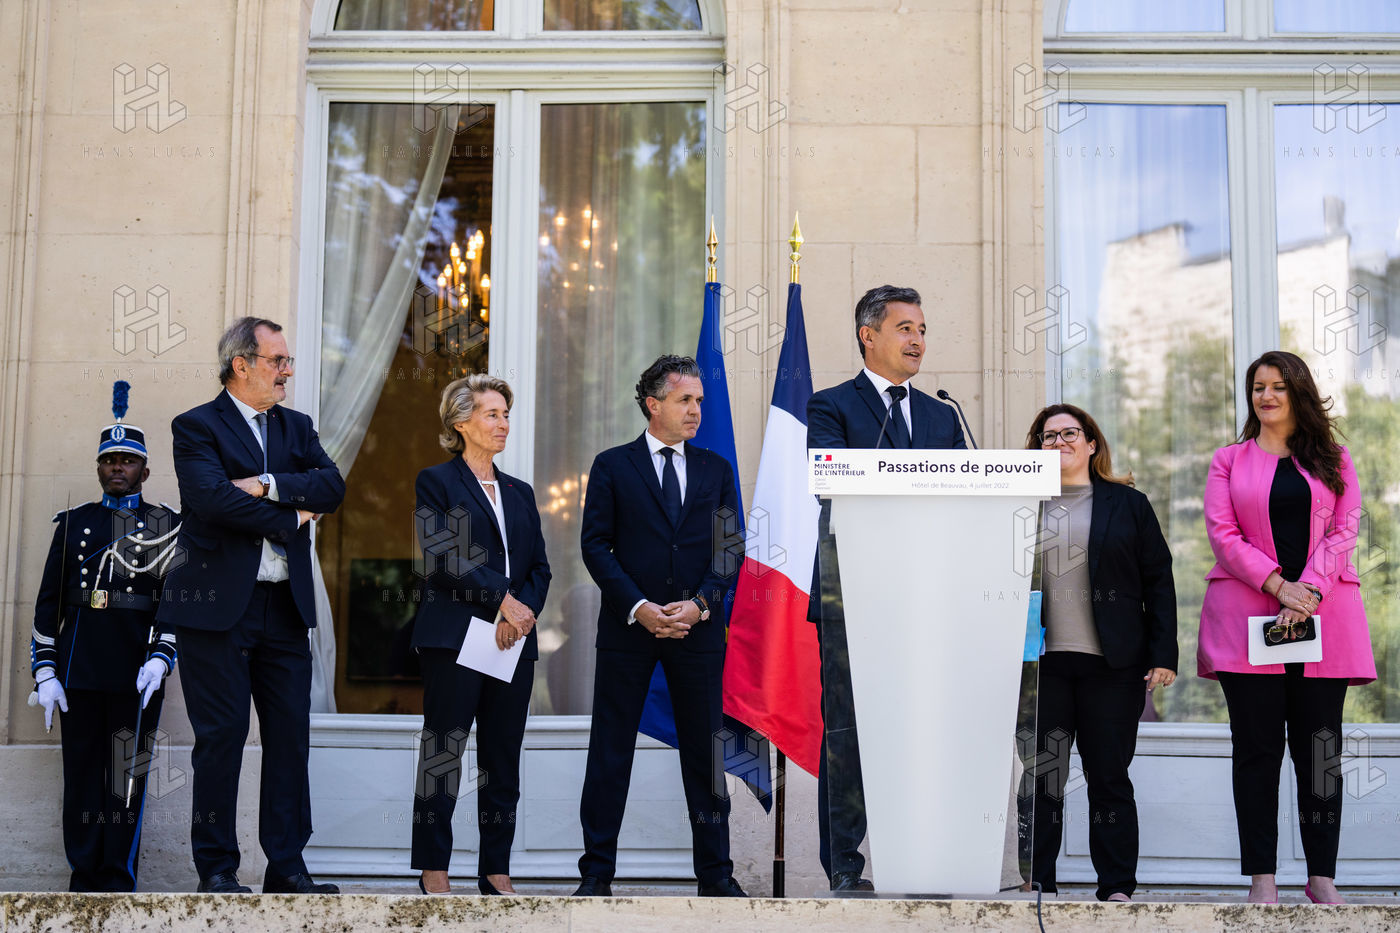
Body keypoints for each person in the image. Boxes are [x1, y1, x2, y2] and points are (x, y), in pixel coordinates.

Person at [157, 317, 345, 894]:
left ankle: (287, 868)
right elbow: (213, 503)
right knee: (222, 735)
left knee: (289, 737)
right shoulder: (196, 426)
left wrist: (265, 484)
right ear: (241, 365)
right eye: (277, 360)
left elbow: (333, 487)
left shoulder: (297, 426)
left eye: (287, 361)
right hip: (215, 609)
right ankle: (216, 868)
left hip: (285, 607)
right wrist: (294, 514)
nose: (287, 371)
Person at [1198, 350, 1376, 905]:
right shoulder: (1228, 460)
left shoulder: (1335, 459)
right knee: (1256, 751)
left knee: (1320, 752)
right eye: (1258, 387)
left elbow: (1346, 528)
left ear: (1298, 393)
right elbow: (1223, 534)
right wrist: (1279, 587)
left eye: (1277, 386)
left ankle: (1322, 876)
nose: (1266, 396)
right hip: (1247, 621)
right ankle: (1263, 879)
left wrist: (1309, 592)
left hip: (1324, 618)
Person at [805, 285, 965, 892]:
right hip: (850, 594)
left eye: (922, 329)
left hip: (927, 598)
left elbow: (962, 495)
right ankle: (846, 867)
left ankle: (920, 861)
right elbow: (831, 479)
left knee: (921, 732)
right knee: (848, 734)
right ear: (868, 335)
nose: (918, 339)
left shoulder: (942, 415)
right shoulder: (830, 406)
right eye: (905, 328)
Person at [574, 355, 747, 898]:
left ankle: (716, 876)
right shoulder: (612, 465)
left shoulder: (716, 468)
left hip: (697, 632)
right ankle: (596, 874)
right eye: (684, 400)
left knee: (705, 756)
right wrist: (639, 606)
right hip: (628, 631)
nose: (696, 410)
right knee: (610, 753)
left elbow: (730, 548)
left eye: (699, 401)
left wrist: (700, 605)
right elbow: (595, 545)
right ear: (653, 404)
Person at [1023, 404, 1177, 903]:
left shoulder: (1128, 504)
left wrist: (1163, 653)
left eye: (1070, 433)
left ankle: (1116, 886)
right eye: (1048, 436)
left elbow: (1159, 580)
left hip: (1112, 666)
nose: (1059, 442)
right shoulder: (1022, 503)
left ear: (1091, 444)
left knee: (1108, 776)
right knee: (1043, 776)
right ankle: (1038, 881)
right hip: (1043, 666)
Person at [30, 382, 180, 891]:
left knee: (125, 780)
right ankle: (83, 874)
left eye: (128, 461)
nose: (118, 468)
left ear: (145, 470)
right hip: (78, 668)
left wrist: (161, 657)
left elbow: (174, 604)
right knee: (81, 776)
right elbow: (48, 602)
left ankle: (116, 877)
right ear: (99, 468)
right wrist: (45, 670)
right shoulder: (73, 524)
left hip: (136, 672)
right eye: (110, 460)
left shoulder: (167, 527)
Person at [410, 375, 551, 896]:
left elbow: (539, 567)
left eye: (506, 414)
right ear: (460, 422)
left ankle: (496, 870)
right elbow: (442, 556)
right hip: (455, 636)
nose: (503, 424)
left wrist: (521, 612)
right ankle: (433, 869)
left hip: (514, 640)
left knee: (502, 759)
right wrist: (502, 601)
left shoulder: (520, 491)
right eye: (492, 414)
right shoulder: (436, 481)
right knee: (444, 753)